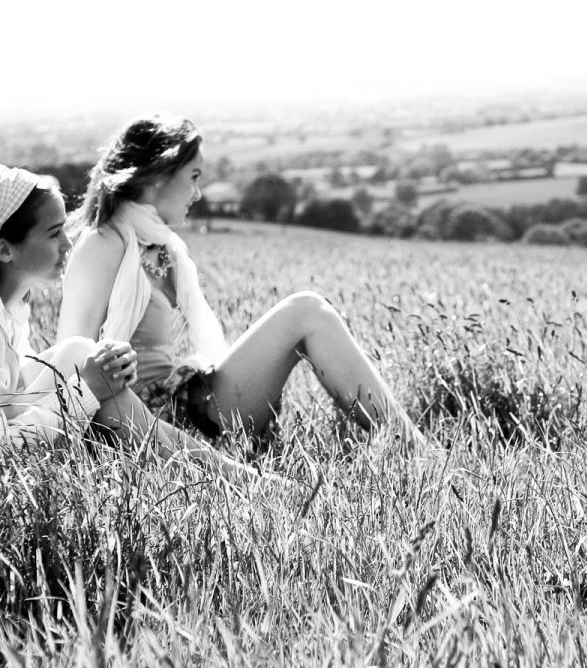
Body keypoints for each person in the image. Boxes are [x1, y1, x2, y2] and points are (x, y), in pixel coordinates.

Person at [0, 163, 257, 480]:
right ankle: (225, 479)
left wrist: (99, 371)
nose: (68, 245)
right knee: (88, 370)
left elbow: (13, 396)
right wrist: (86, 391)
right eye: (53, 234)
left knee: (84, 353)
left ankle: (222, 475)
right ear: (5, 250)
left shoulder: (4, 311)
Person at [58, 115, 426, 449]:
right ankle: (413, 448)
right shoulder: (103, 244)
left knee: (309, 310)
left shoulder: (165, 246)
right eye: (194, 177)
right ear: (158, 175)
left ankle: (408, 445)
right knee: (306, 309)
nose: (198, 194)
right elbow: (69, 364)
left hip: (188, 403)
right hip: (142, 425)